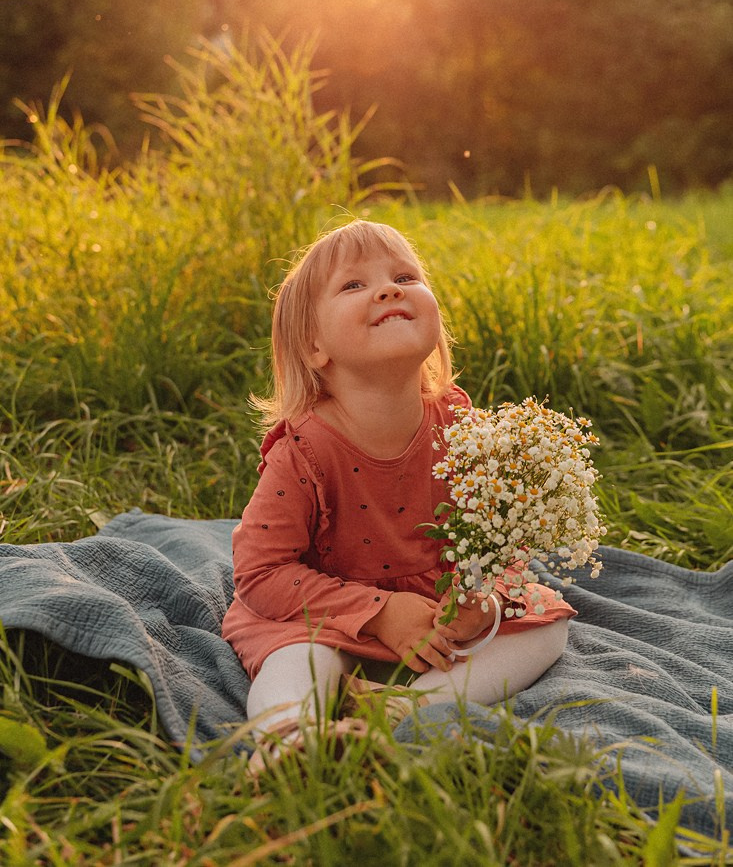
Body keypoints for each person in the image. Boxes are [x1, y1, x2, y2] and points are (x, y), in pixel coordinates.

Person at [222, 219, 574, 744]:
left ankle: (402, 707)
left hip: (435, 615)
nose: (390, 289)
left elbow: (500, 541)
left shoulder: (459, 427)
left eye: (405, 276)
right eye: (354, 285)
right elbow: (261, 572)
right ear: (315, 345)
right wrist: (378, 612)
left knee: (548, 628)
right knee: (299, 658)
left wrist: (482, 600)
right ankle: (287, 741)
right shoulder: (304, 450)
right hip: (325, 614)